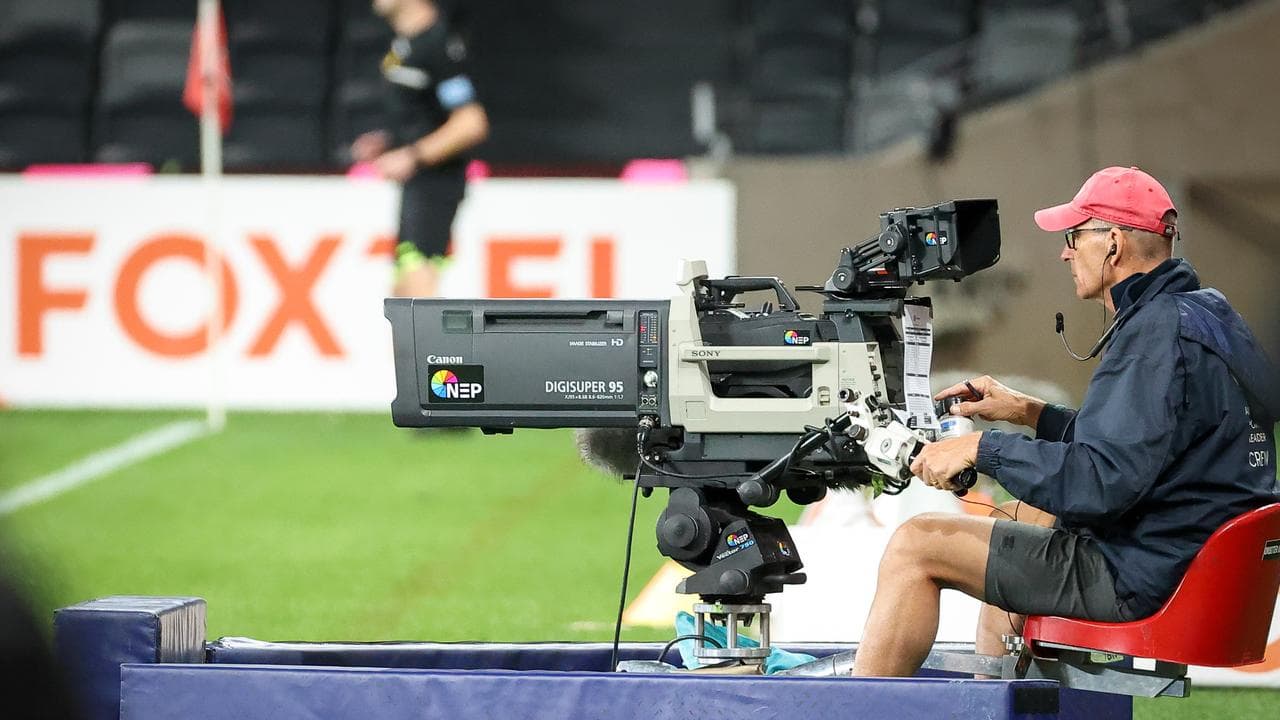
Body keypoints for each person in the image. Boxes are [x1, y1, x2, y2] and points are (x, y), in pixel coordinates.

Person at [850, 166, 1280, 677]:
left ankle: (865, 708)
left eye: (1074, 237)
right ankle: (995, 701)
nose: (1065, 252)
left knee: (914, 544)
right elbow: (1149, 446)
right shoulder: (1207, 314)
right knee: (1029, 516)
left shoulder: (1152, 336)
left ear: (1113, 243)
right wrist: (1031, 413)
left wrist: (982, 448)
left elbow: (1098, 485)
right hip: (1192, 560)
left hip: (1146, 573)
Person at [352, 0, 489, 298]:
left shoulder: (438, 44)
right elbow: (426, 116)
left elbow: (470, 122)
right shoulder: (406, 46)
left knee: (419, 286)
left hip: (436, 185)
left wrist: (412, 155)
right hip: (416, 187)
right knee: (403, 291)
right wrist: (389, 140)